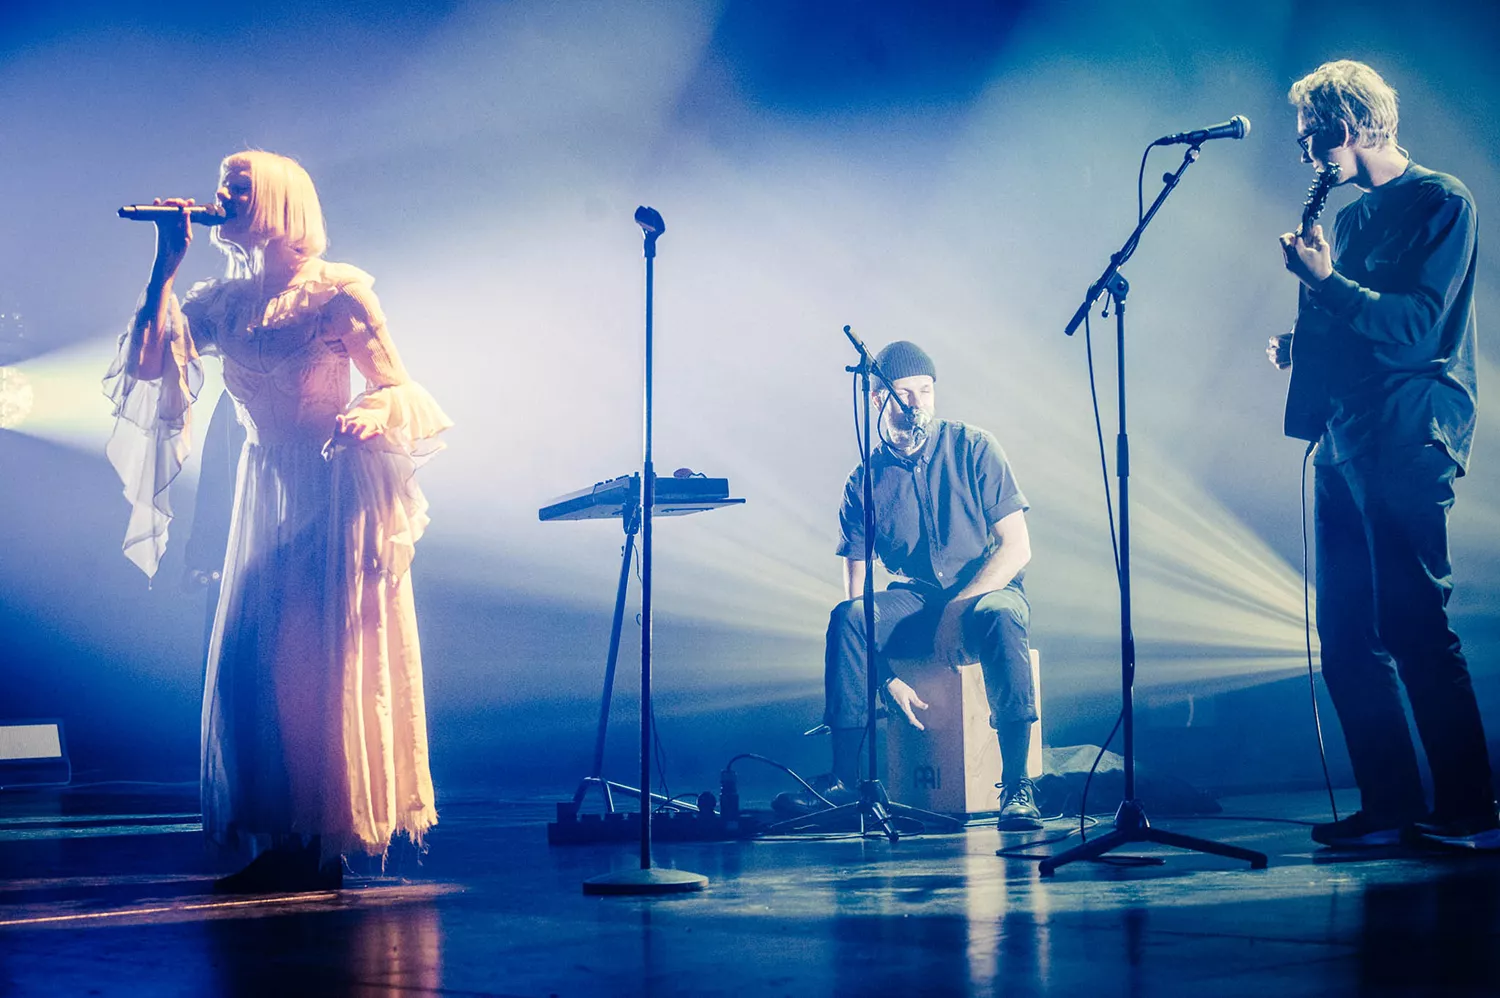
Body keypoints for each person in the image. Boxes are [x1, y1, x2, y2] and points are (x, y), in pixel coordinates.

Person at [106, 150, 452, 890]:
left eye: (238, 189)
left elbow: (400, 387)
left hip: (331, 485)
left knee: (311, 662)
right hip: (265, 483)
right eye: (222, 187)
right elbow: (146, 365)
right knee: (252, 664)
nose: (222, 198)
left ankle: (321, 842)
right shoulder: (224, 302)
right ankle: (285, 834)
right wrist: (165, 264)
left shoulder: (336, 293)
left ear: (278, 202)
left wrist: (369, 412)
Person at [1271, 61, 1497, 850]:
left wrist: (1326, 282)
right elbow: (1360, 324)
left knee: (1414, 624)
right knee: (1345, 637)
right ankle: (1392, 802)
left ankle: (1471, 808)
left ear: (1350, 124)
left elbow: (1415, 326)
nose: (1305, 150)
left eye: (1311, 134)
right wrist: (1303, 342)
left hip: (1409, 433)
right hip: (1345, 439)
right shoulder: (1355, 215)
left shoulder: (1442, 201)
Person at [774, 340, 1041, 830]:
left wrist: (958, 609)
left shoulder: (975, 447)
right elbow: (855, 593)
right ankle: (843, 780)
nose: (918, 403)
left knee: (1002, 614)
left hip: (987, 590)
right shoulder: (863, 480)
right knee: (848, 619)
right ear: (878, 399)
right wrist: (885, 677)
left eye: (926, 390)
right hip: (917, 601)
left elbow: (1016, 548)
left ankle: (1017, 786)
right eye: (905, 393)